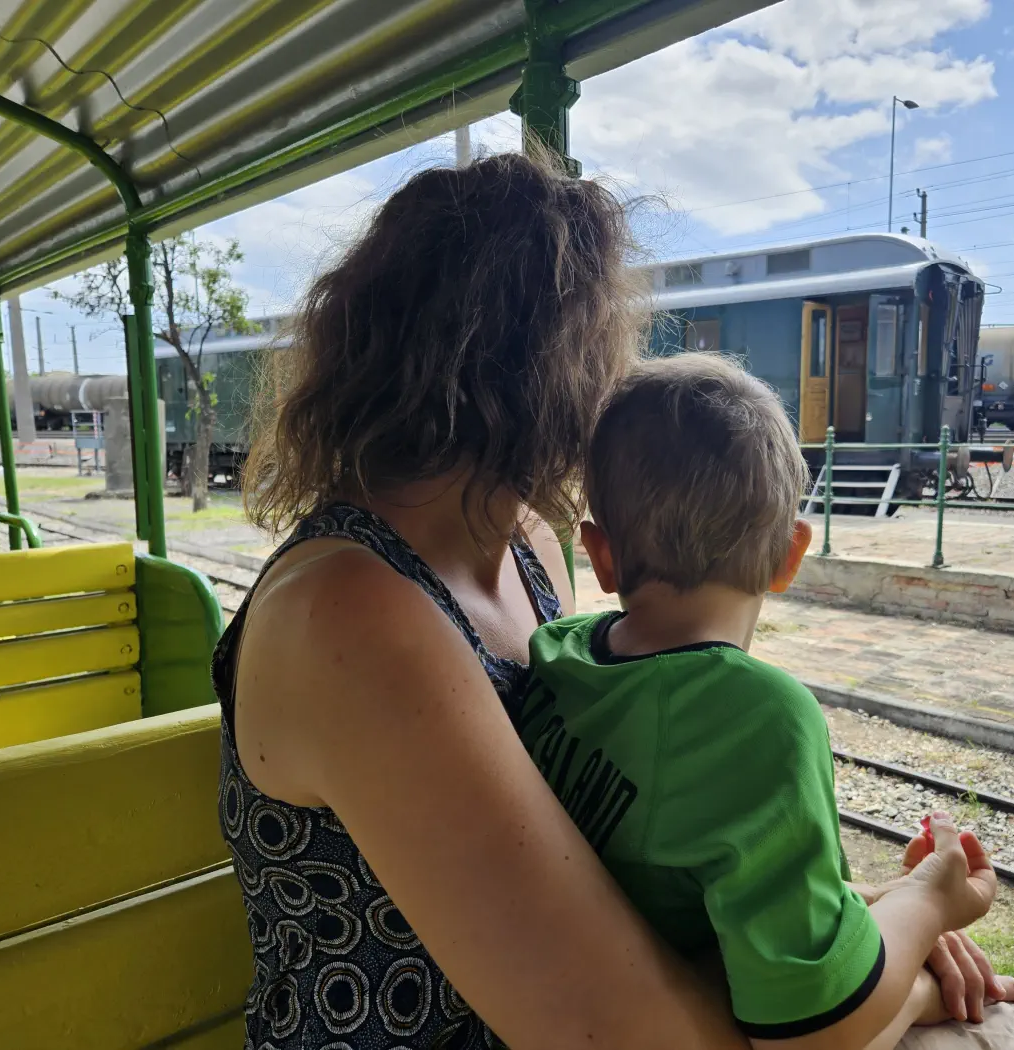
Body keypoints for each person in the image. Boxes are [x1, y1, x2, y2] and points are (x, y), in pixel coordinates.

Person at [218, 153, 750, 1050]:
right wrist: (875, 989)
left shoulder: (533, 551)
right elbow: (608, 1032)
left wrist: (862, 939)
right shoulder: (348, 611)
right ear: (550, 365)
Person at [516, 353, 1014, 1050]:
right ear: (790, 554)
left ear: (600, 555)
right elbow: (811, 1030)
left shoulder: (560, 657)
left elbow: (714, 887)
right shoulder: (755, 718)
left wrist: (882, 907)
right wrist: (932, 903)